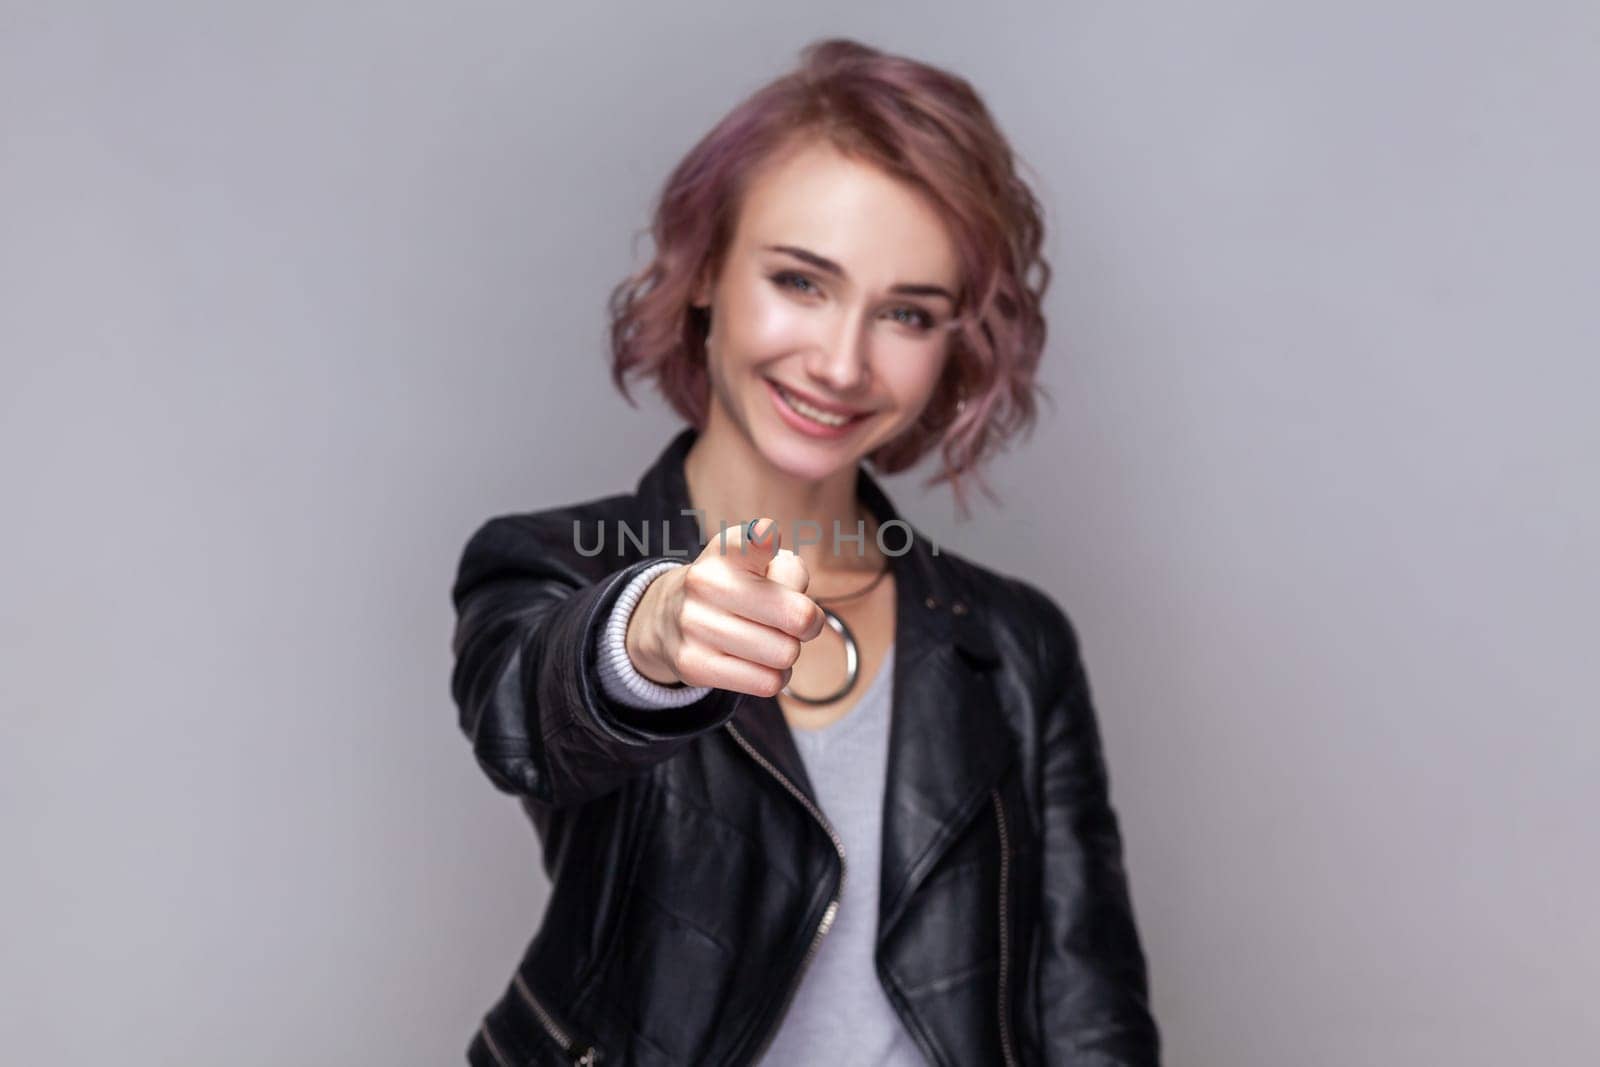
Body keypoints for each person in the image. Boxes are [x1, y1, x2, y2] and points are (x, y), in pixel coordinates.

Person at [449, 37, 1160, 1066]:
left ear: (952, 343)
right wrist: (647, 633)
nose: (839, 361)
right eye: (800, 280)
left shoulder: (1014, 644)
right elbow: (526, 717)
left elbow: (1089, 1009)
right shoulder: (556, 564)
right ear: (701, 273)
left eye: (906, 312)